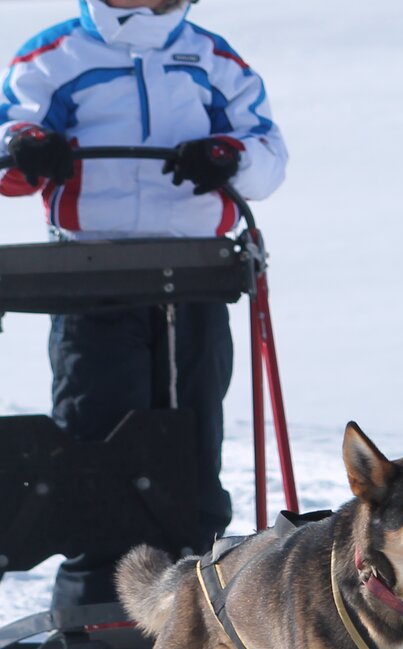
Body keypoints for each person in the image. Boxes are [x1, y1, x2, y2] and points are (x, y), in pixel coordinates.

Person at [1, 0, 288, 607]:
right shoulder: (52, 56)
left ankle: (199, 598)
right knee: (95, 439)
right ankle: (99, 601)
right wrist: (28, 148)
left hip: (196, 276)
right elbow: (7, 152)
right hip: (87, 275)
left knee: (192, 442)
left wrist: (227, 156)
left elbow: (266, 157)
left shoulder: (214, 59)